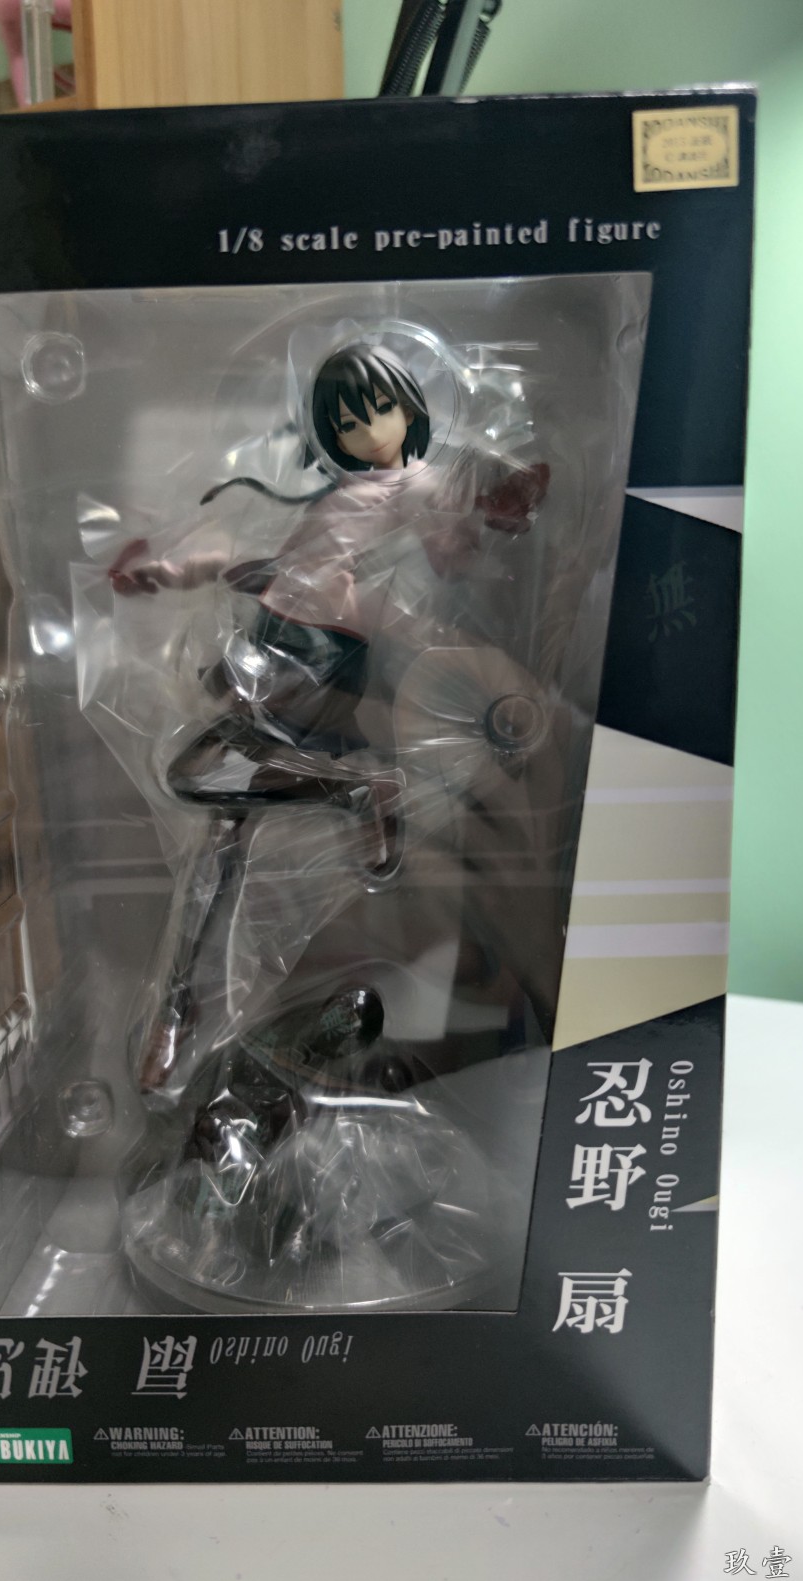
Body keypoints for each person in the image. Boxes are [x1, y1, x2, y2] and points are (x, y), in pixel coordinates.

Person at [103, 342, 548, 1096]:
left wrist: (498, 503)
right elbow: (264, 557)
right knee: (221, 835)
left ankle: (352, 792)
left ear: (411, 409)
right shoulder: (344, 492)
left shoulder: (415, 479)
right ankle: (179, 1004)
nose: (366, 432)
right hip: (278, 640)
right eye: (347, 422)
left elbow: (451, 523)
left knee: (197, 774)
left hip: (313, 655)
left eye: (380, 411)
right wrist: (169, 571)